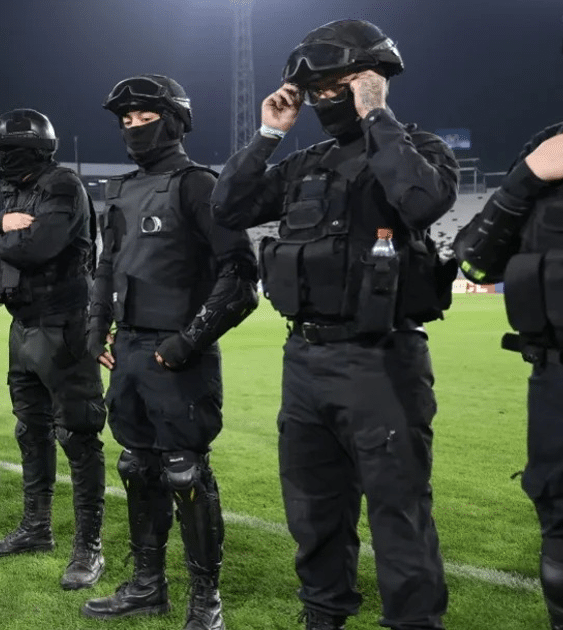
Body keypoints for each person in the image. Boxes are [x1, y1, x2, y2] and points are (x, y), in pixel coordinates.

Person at [210, 19, 457, 630]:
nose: (326, 95)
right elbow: (229, 207)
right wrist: (270, 133)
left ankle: (414, 622)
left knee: (398, 511)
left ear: (375, 79)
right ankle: (323, 615)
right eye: (316, 86)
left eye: (342, 82)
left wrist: (377, 119)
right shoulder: (305, 164)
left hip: (383, 362)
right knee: (313, 508)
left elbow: (422, 203)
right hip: (306, 363)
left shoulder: (418, 149)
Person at [80, 75, 258, 628]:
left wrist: (188, 342)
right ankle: (146, 586)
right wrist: (96, 328)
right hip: (128, 349)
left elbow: (241, 276)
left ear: (175, 120)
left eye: (145, 116)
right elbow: (107, 265)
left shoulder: (199, 185)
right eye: (126, 120)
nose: (134, 127)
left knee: (185, 472)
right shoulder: (123, 189)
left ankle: (206, 598)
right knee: (137, 466)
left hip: (178, 353)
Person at [0, 108, 107, 590]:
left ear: (21, 151)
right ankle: (36, 529)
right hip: (23, 326)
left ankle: (87, 547)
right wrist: (1, 223)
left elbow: (37, 248)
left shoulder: (62, 185)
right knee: (30, 431)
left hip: (65, 327)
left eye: (0, 149)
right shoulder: (12, 193)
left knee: (77, 435)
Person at [453, 124, 563, 626]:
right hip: (554, 381)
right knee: (558, 520)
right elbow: (474, 264)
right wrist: (525, 177)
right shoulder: (546, 152)